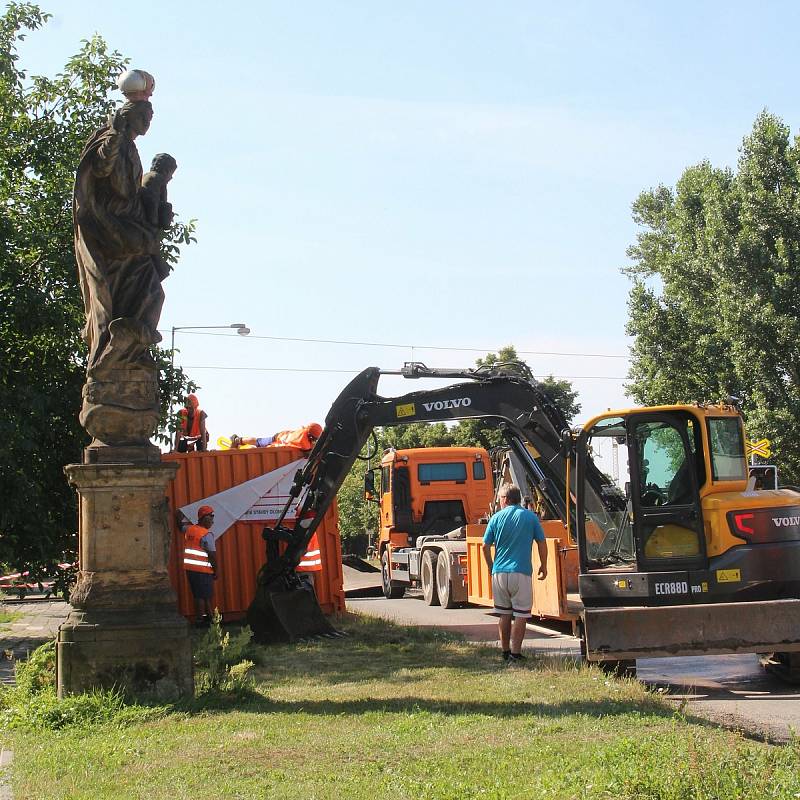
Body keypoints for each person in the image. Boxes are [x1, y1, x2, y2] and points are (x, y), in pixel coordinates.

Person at [482, 484, 548, 664]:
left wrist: (490, 565)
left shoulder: (495, 518)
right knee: (521, 614)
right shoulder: (530, 517)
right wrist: (543, 565)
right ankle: (516, 653)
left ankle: (504, 651)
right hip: (521, 572)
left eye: (500, 499)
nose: (499, 502)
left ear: (505, 499)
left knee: (504, 614)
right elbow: (542, 542)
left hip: (499, 573)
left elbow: (485, 546)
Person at [182, 504, 218, 626]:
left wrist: (178, 514)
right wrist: (216, 571)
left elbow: (180, 526)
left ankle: (209, 617)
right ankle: (201, 620)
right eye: (211, 517)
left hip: (190, 569)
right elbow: (212, 555)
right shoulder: (206, 535)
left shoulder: (190, 530)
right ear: (203, 518)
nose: (212, 520)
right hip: (203, 569)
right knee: (204, 596)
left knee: (200, 595)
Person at [230, 423, 322, 452]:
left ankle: (239, 440)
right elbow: (310, 450)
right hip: (277, 441)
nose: (314, 441)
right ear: (310, 436)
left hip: (281, 435)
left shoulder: (303, 431)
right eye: (314, 439)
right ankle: (236, 440)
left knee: (259, 441)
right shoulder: (304, 443)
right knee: (259, 443)